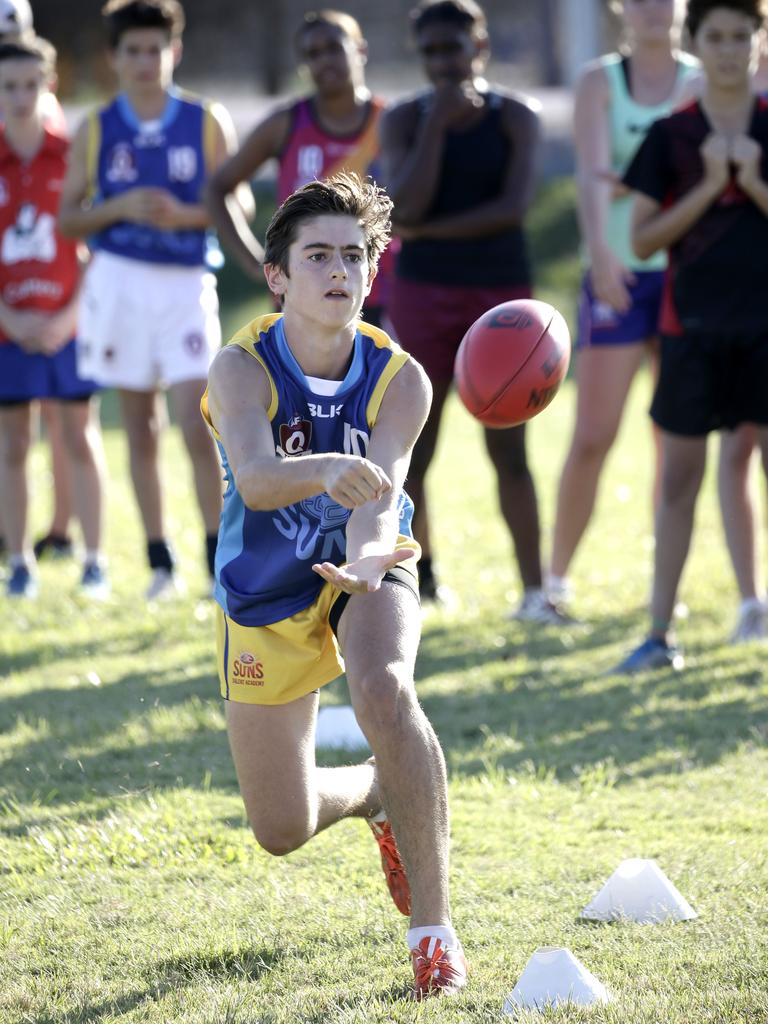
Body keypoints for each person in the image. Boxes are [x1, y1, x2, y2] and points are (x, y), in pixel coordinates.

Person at [201, 172, 468, 998]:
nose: (338, 271)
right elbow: (253, 480)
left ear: (371, 272)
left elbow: (381, 491)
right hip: (266, 586)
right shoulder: (242, 367)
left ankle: (435, 933)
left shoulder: (401, 379)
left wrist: (366, 558)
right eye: (317, 255)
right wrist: (326, 468)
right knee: (279, 829)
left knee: (385, 687)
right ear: (277, 275)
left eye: (353, 256)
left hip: (366, 564)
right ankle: (377, 794)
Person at [59, 0, 250, 600]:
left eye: (155, 49)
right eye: (133, 51)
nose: (145, 61)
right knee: (139, 427)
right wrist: (117, 208)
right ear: (114, 58)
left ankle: (218, 559)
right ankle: (158, 560)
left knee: (199, 424)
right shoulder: (95, 127)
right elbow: (68, 218)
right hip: (118, 285)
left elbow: (238, 207)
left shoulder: (205, 119)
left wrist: (187, 214)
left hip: (185, 284)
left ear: (176, 50)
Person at [380, 0, 558, 619]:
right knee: (414, 447)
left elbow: (512, 208)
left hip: (500, 297)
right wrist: (436, 128)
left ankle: (535, 592)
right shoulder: (405, 118)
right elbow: (401, 208)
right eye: (430, 52)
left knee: (510, 448)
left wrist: (425, 231)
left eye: (453, 48)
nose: (442, 63)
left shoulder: (518, 116)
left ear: (478, 46)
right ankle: (418, 581)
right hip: (424, 293)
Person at [617, 0, 768, 671]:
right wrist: (710, 185)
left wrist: (755, 183)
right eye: (718, 37)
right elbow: (643, 236)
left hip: (765, 332)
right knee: (679, 479)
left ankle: (755, 606)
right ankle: (658, 634)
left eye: (743, 36)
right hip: (690, 333)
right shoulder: (670, 137)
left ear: (760, 44)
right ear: (696, 44)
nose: (730, 49)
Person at [548, 0, 699, 612]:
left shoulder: (701, 77)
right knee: (593, 435)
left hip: (687, 277)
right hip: (617, 277)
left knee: (675, 441)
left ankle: (665, 591)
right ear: (620, 10)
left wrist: (633, 178)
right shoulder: (598, 81)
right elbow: (590, 174)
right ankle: (553, 582)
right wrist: (603, 257)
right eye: (639, 0)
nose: (653, 10)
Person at [0, 36, 106, 599]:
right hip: (8, 328)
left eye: (29, 84)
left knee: (80, 434)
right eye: (8, 86)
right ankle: (19, 561)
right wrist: (10, 321)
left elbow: (94, 248)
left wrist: (69, 314)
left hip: (70, 324)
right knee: (14, 441)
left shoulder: (71, 155)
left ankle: (95, 560)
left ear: (50, 84)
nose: (19, 97)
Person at [206, 8, 394, 327]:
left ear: (360, 49)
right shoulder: (286, 124)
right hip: (300, 298)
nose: (324, 60)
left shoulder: (391, 122)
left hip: (380, 295)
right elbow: (217, 188)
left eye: (334, 48)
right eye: (313, 54)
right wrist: (256, 261)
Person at [0, 0, 74, 564]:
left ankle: (61, 527)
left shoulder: (57, 132)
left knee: (63, 418)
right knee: (14, 433)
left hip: (52, 299)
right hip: (10, 303)